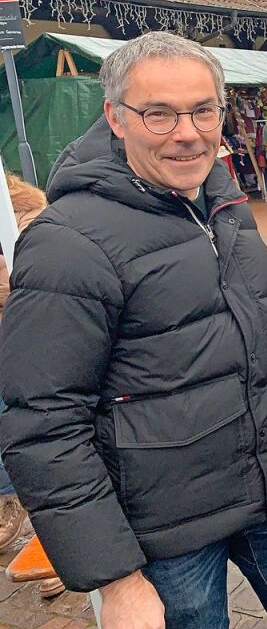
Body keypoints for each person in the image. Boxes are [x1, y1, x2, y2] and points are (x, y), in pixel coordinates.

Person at [0, 32, 267, 629]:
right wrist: (116, 579)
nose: (188, 132)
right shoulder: (69, 243)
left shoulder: (218, 196)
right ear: (116, 117)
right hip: (165, 532)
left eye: (203, 109)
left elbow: (249, 326)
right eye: (159, 113)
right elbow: (42, 424)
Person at [0, 173, 65, 599]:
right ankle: (11, 500)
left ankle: (62, 546)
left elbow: (34, 279)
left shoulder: (23, 210)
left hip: (41, 346)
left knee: (48, 438)